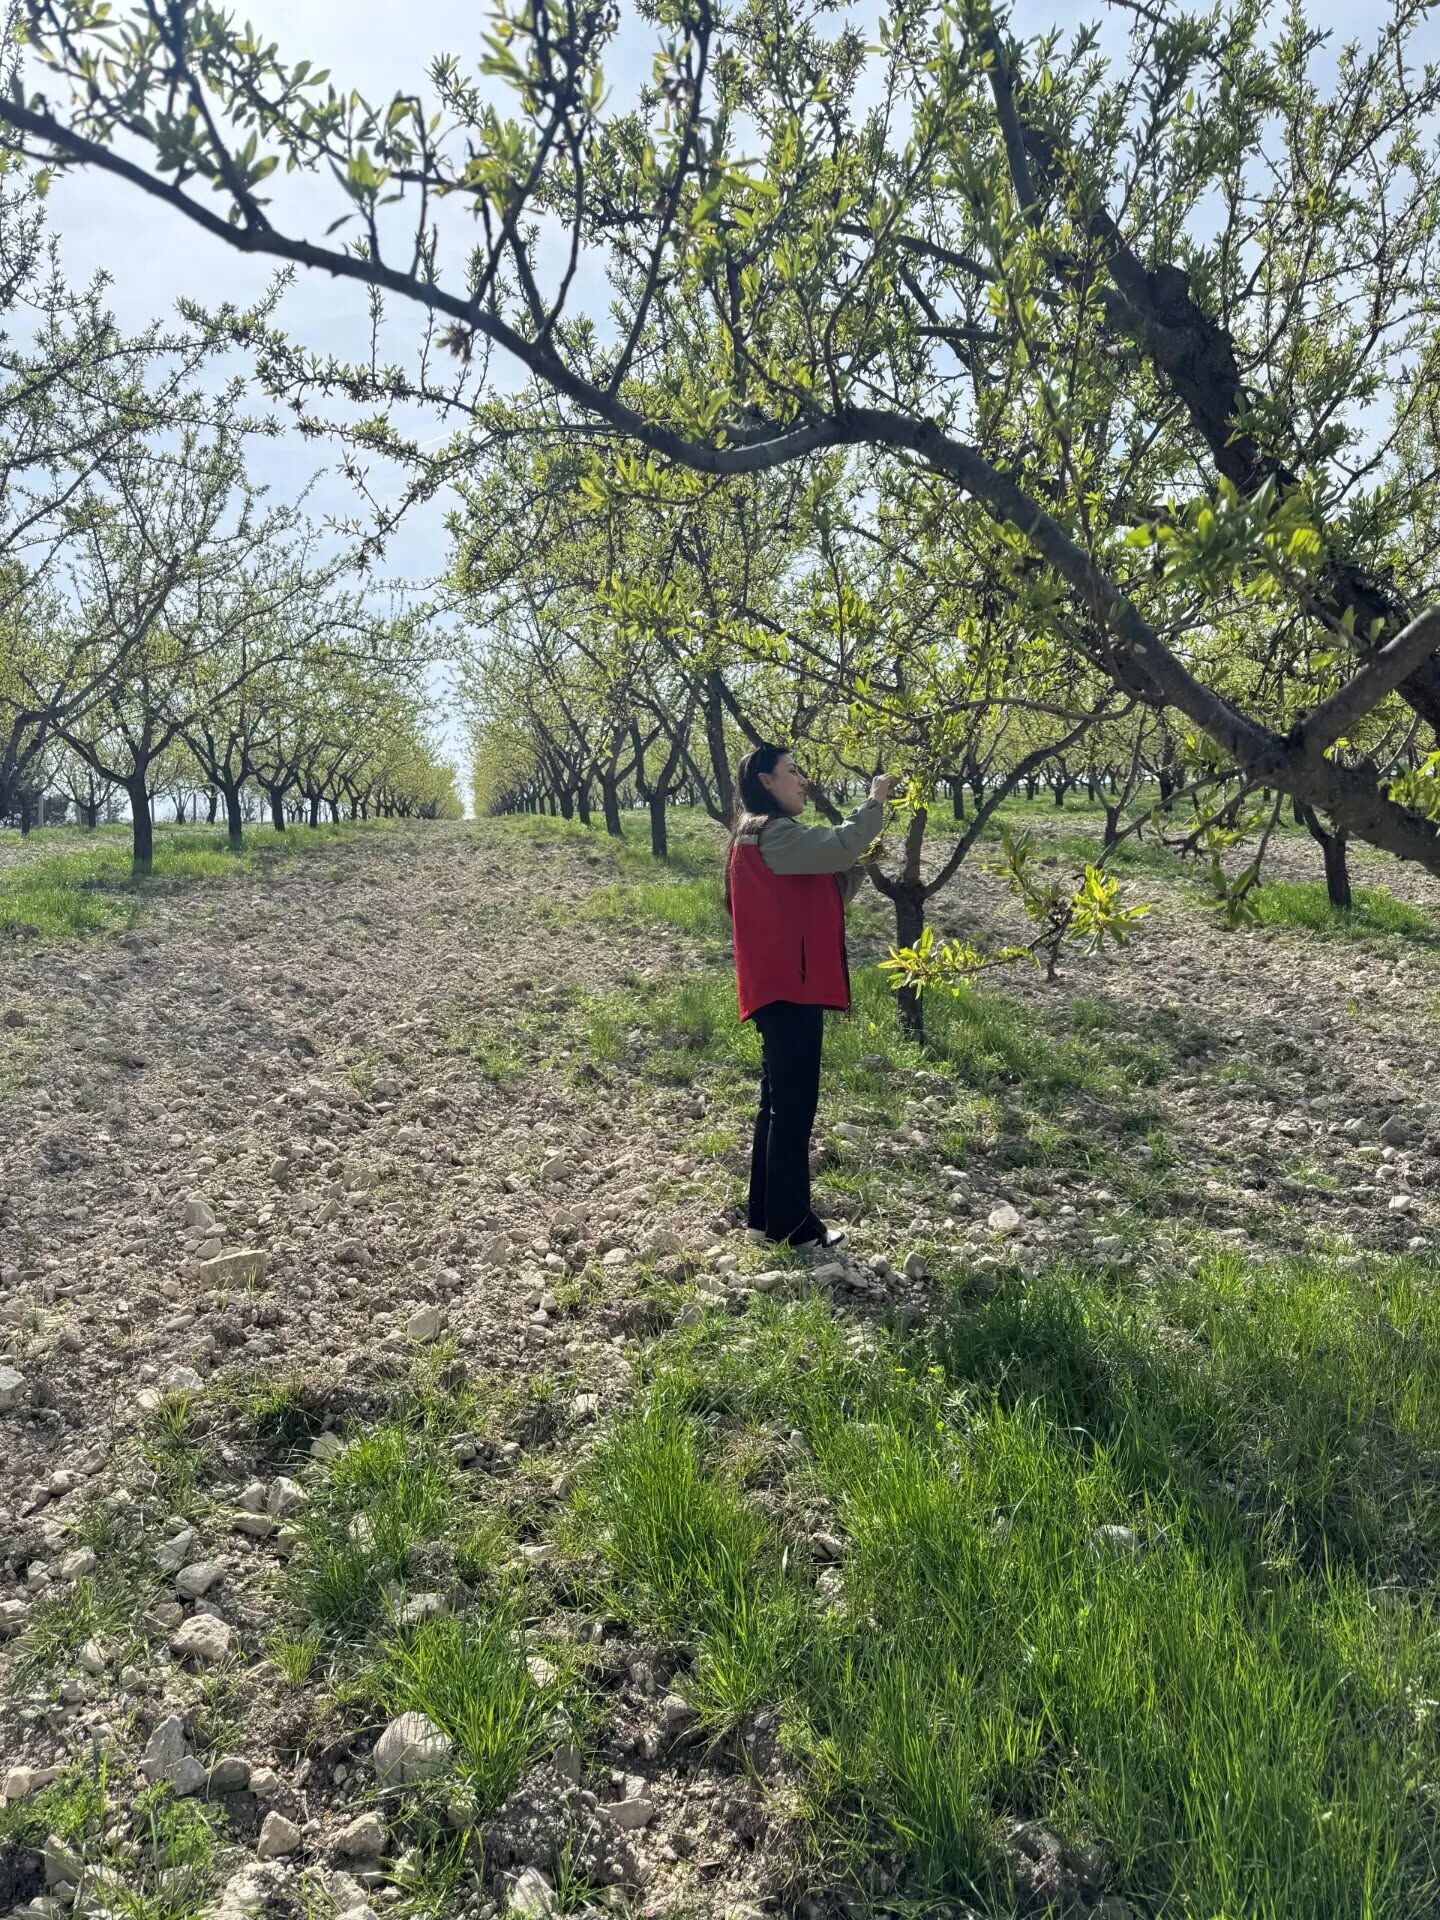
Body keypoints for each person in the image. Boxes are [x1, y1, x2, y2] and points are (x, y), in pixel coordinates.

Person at [726, 744, 898, 1248]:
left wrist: (862, 860)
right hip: (790, 987)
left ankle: (764, 1220)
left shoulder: (758, 837)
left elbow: (825, 886)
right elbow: (840, 846)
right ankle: (793, 1227)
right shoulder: (772, 833)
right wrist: (875, 803)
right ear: (765, 780)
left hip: (777, 985)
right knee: (794, 1108)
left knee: (777, 1104)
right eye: (792, 772)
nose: (802, 781)